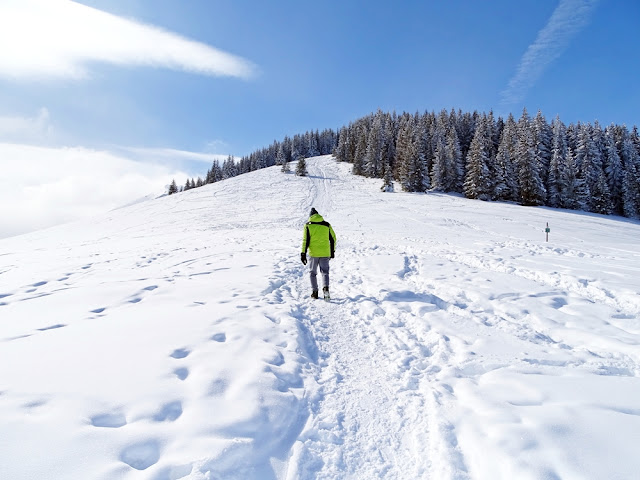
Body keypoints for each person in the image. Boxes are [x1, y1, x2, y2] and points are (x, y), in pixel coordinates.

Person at [301, 208, 337, 299]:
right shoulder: (326, 225)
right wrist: (332, 251)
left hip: (313, 254)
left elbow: (305, 241)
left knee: (312, 273)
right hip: (325, 253)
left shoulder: (308, 225)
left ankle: (315, 292)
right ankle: (326, 289)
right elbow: (333, 239)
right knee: (325, 272)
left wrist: (303, 253)